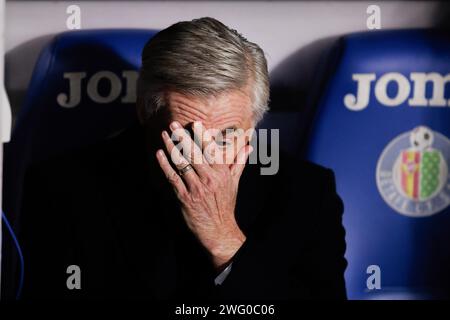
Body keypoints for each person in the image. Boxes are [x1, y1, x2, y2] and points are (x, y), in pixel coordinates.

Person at [19, 17, 347, 300]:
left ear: (255, 122)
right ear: (146, 112)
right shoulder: (61, 189)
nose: (208, 155)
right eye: (186, 136)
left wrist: (225, 242)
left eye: (227, 135)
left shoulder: (306, 193)